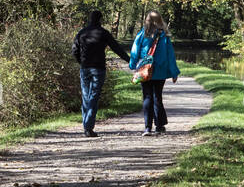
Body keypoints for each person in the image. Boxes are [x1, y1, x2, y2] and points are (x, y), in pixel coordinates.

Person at [71, 9, 130, 137]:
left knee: (86, 96)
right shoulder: (103, 33)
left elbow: (74, 50)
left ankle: (86, 125)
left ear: (89, 18)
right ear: (100, 19)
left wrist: (81, 62)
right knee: (93, 97)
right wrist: (129, 60)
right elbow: (116, 48)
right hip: (98, 69)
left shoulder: (81, 33)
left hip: (85, 68)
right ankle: (88, 127)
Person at [129, 10, 180, 135]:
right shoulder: (164, 37)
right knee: (157, 97)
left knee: (147, 96)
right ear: (160, 21)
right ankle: (159, 125)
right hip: (160, 71)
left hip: (145, 70)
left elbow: (135, 51)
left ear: (147, 21)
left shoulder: (142, 35)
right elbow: (170, 56)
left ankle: (147, 127)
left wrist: (132, 65)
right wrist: (174, 72)